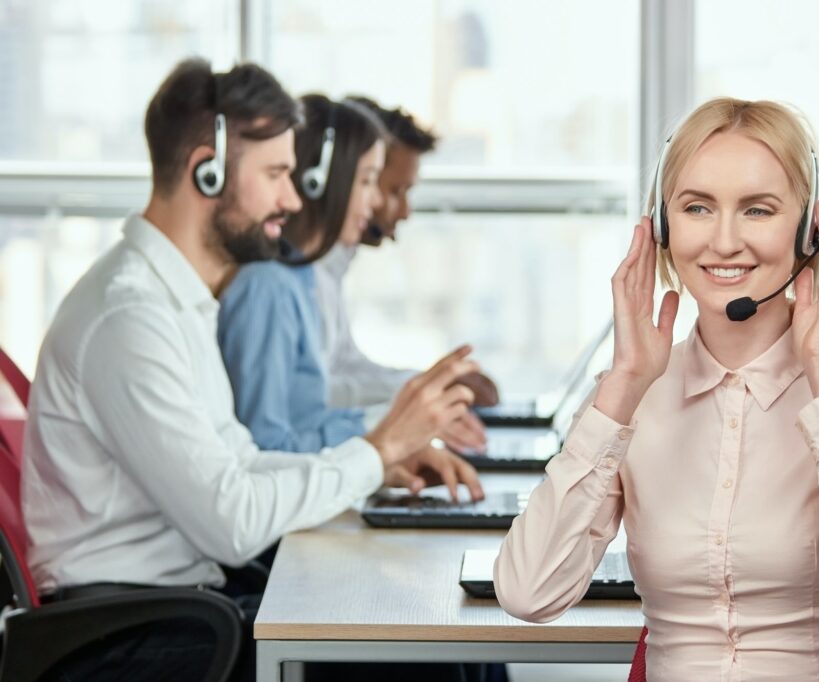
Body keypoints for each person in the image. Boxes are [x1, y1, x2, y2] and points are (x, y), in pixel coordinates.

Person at [22, 59, 480, 682]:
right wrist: (372, 452)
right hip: (130, 638)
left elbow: (241, 461)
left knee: (436, 639)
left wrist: (369, 468)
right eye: (275, 174)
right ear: (205, 173)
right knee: (425, 663)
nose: (292, 199)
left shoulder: (174, 302)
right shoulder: (129, 319)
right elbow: (232, 522)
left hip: (183, 611)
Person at [494, 97, 819, 681]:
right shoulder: (629, 397)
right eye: (698, 207)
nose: (724, 242)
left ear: (810, 228)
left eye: (758, 211)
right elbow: (529, 593)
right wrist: (623, 386)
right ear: (663, 226)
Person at [217, 95, 483, 501]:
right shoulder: (268, 289)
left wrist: (387, 452)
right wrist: (385, 436)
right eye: (365, 182)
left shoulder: (301, 279)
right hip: (278, 529)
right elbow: (265, 452)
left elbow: (308, 418)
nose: (376, 201)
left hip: (308, 498)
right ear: (322, 181)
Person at [313, 96, 498, 454]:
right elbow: (318, 392)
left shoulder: (330, 269)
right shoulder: (294, 279)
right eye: (394, 190)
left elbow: (344, 364)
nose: (401, 211)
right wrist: (420, 395)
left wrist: (426, 388)